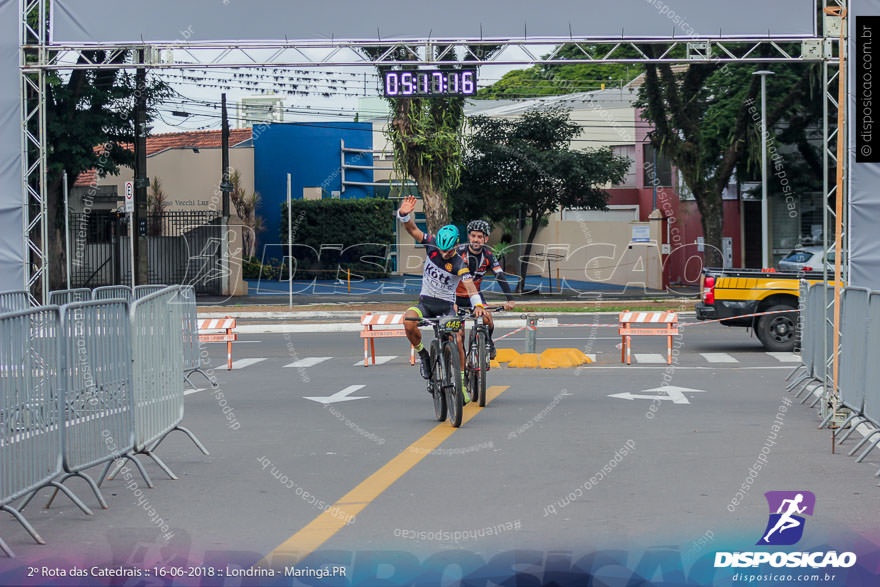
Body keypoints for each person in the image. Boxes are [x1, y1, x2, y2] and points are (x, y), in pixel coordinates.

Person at [397, 196, 485, 400]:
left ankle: (461, 381)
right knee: (408, 322)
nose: (444, 253)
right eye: (441, 249)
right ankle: (423, 356)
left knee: (458, 336)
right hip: (425, 303)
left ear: (456, 246)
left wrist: (478, 305)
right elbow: (412, 229)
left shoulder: (459, 263)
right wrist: (404, 214)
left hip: (446, 308)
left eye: (449, 250)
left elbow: (470, 287)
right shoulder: (431, 243)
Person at [454, 219, 515, 359]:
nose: (476, 240)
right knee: (459, 334)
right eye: (473, 236)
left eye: (480, 237)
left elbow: (499, 276)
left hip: (475, 296)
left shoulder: (488, 256)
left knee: (488, 319)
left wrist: (510, 300)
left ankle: (488, 340)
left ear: (486, 239)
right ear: (469, 236)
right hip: (455, 296)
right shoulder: (459, 252)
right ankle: (460, 360)